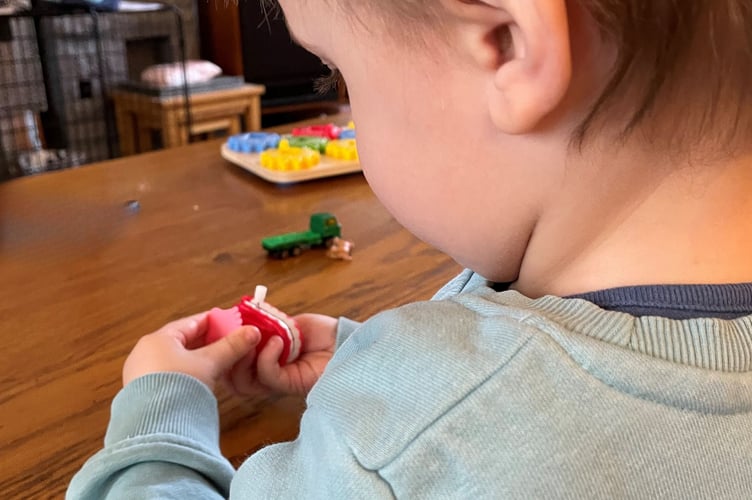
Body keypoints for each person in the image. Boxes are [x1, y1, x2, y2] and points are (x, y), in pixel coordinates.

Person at [69, 0, 752, 498]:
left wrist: (160, 417)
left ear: (508, 44)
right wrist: (373, 362)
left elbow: (461, 429)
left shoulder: (406, 450)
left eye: (336, 76)